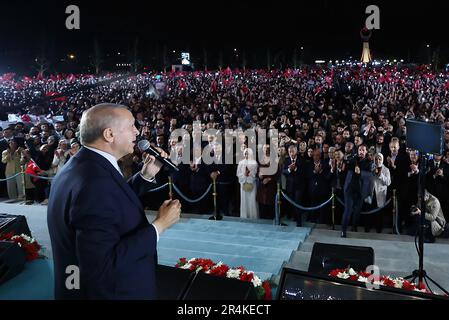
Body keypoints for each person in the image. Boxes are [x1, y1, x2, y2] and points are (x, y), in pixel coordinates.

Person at [47, 103, 181, 300]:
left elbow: (110, 204)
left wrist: (145, 176)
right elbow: (103, 265)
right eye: (131, 126)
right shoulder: (94, 184)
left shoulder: (82, 165)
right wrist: (159, 226)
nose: (138, 131)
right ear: (109, 134)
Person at [237, 148, 259, 219]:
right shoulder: (241, 163)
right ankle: (244, 215)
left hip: (251, 183)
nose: (247, 155)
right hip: (243, 183)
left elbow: (255, 173)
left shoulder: (254, 163)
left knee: (252, 199)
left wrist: (249, 174)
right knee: (244, 200)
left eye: (248, 153)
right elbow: (238, 173)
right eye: (245, 153)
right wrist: (244, 175)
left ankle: (253, 215)